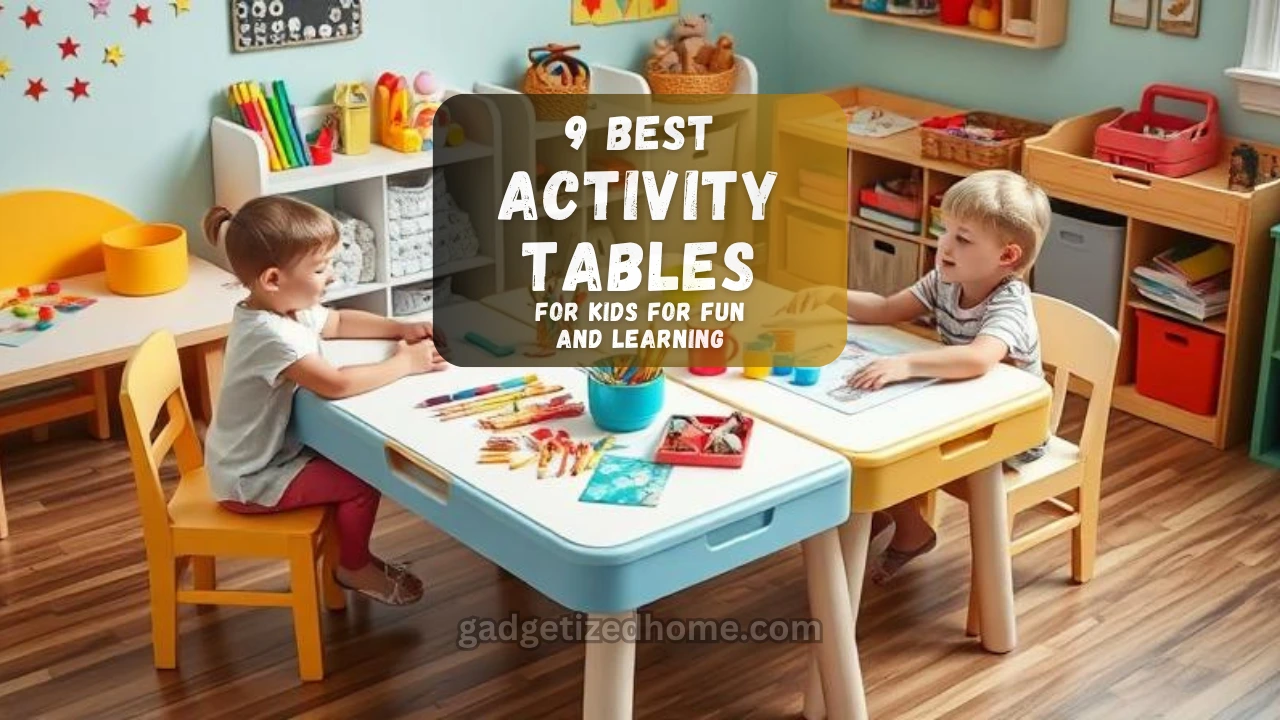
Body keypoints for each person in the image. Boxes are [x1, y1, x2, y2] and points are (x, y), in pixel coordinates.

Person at [783, 169, 1051, 583]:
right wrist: (828, 295)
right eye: (945, 231)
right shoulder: (946, 279)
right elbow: (887, 308)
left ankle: (908, 528)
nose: (944, 245)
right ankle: (878, 515)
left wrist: (906, 365)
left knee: (888, 449)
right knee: (865, 428)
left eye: (962, 239)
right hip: (958, 411)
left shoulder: (1010, 302)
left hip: (1010, 436)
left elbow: (979, 358)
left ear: (1007, 257)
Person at [201, 195, 449, 605]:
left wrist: (400, 328)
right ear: (273, 279)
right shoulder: (269, 335)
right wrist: (405, 365)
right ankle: (353, 566)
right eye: (320, 268)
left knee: (354, 457)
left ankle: (349, 554)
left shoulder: (285, 309)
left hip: (261, 458)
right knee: (362, 480)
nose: (331, 276)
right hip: (250, 478)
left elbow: (337, 321)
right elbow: (333, 383)